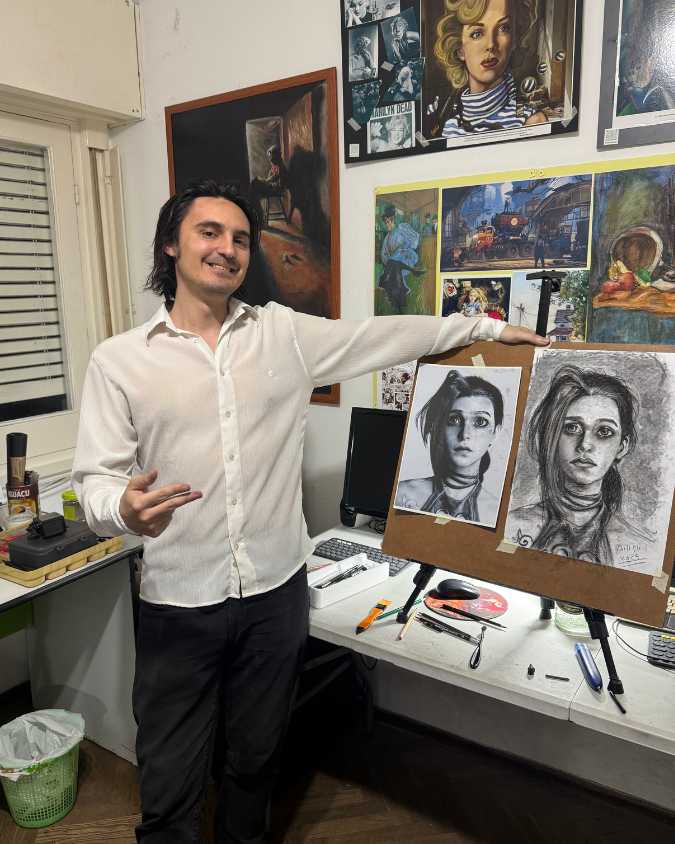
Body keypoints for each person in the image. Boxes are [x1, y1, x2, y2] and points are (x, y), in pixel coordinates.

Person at [72, 180, 547, 843]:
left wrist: (487, 328)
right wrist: (122, 509)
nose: (227, 248)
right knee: (169, 779)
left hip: (275, 595)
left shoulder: (283, 334)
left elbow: (385, 335)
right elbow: (95, 481)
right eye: (209, 232)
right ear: (171, 245)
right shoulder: (120, 360)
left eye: (241, 238)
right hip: (178, 602)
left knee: (255, 762)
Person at [508, 365, 654, 565]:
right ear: (551, 437)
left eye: (604, 431)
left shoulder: (639, 548)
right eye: (572, 427)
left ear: (622, 447)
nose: (585, 444)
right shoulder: (513, 525)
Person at [395, 370, 505, 523]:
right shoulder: (402, 494)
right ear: (439, 426)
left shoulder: (496, 514)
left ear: (495, 433)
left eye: (480, 421)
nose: (465, 434)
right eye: (454, 419)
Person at [427, 0, 547, 139]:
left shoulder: (532, 122)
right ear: (460, 49)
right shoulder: (448, 127)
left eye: (503, 28)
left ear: (514, 40)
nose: (491, 44)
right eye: (477, 34)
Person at [378, 203, 422, 311]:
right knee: (394, 265)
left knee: (394, 263)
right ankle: (400, 295)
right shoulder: (387, 238)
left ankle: (384, 280)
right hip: (394, 264)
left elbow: (415, 240)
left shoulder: (402, 228)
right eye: (386, 222)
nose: (387, 224)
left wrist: (404, 247)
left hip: (406, 257)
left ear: (393, 220)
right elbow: (384, 255)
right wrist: (389, 259)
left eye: (389, 221)